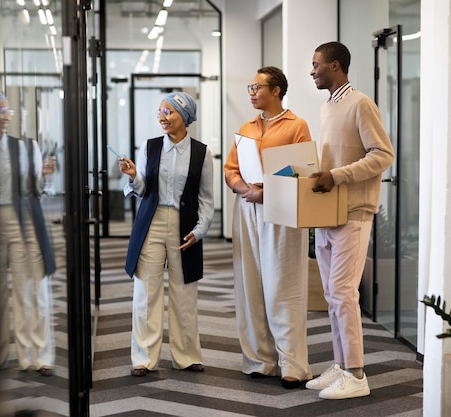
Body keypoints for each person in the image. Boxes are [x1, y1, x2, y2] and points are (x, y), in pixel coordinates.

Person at [306, 42, 395, 400]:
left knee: (343, 293)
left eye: (316, 64)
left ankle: (357, 374)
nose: (312, 70)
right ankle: (342, 366)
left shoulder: (360, 103)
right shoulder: (328, 105)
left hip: (355, 213)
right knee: (332, 295)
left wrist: (338, 176)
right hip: (328, 213)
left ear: (336, 66)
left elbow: (383, 154)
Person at [223, 66, 313, 389]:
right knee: (250, 283)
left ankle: (293, 364)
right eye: (250, 87)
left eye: (257, 87)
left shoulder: (297, 126)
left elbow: (304, 173)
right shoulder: (246, 128)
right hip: (246, 208)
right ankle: (259, 360)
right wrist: (242, 188)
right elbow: (231, 169)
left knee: (282, 285)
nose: (251, 92)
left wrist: (265, 191)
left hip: (282, 210)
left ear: (276, 91)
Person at [119, 91, 214, 377]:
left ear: (184, 118)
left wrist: (199, 231)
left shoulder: (202, 152)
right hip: (152, 221)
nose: (162, 117)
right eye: (160, 112)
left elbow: (207, 200)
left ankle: (186, 356)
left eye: (169, 112)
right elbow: (143, 189)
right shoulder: (150, 148)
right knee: (146, 291)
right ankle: (144, 358)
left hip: (185, 227)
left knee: (184, 293)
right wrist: (134, 175)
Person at [0, 91, 57, 376]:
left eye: (9, 111)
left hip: (24, 220)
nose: (7, 116)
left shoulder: (26, 147)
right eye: (1, 111)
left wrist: (44, 175)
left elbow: (36, 190)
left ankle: (37, 355)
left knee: (30, 288)